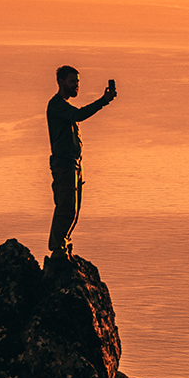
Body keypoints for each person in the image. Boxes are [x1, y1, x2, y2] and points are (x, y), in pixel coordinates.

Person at [46, 65, 117, 258]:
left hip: (74, 163)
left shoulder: (62, 106)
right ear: (61, 82)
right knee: (66, 206)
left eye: (77, 82)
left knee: (74, 209)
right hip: (64, 163)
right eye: (72, 82)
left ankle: (64, 242)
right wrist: (103, 101)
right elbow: (79, 115)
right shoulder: (57, 104)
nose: (76, 85)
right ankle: (57, 246)